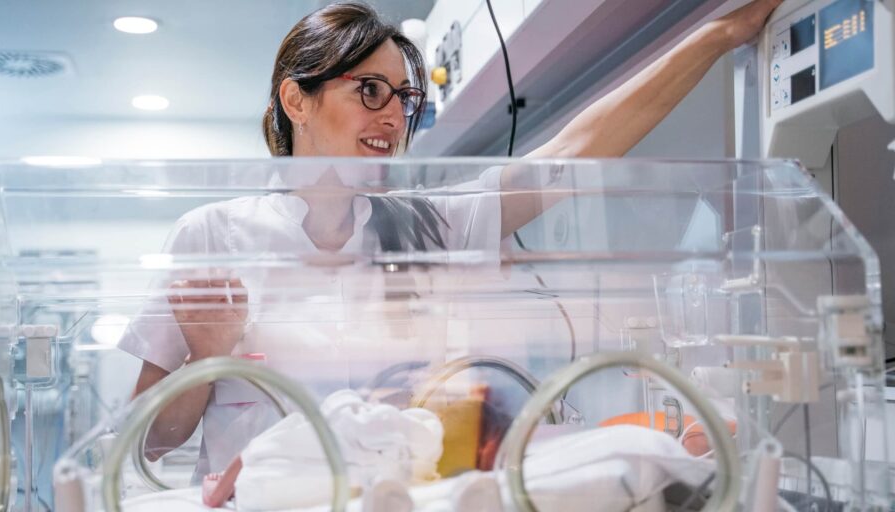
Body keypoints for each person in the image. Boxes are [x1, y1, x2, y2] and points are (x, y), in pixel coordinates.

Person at [121, 0, 784, 482]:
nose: (391, 117)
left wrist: (717, 34)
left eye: (403, 100)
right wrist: (205, 360)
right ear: (297, 101)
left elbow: (578, 150)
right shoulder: (212, 235)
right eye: (369, 91)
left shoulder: (427, 224)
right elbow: (149, 442)